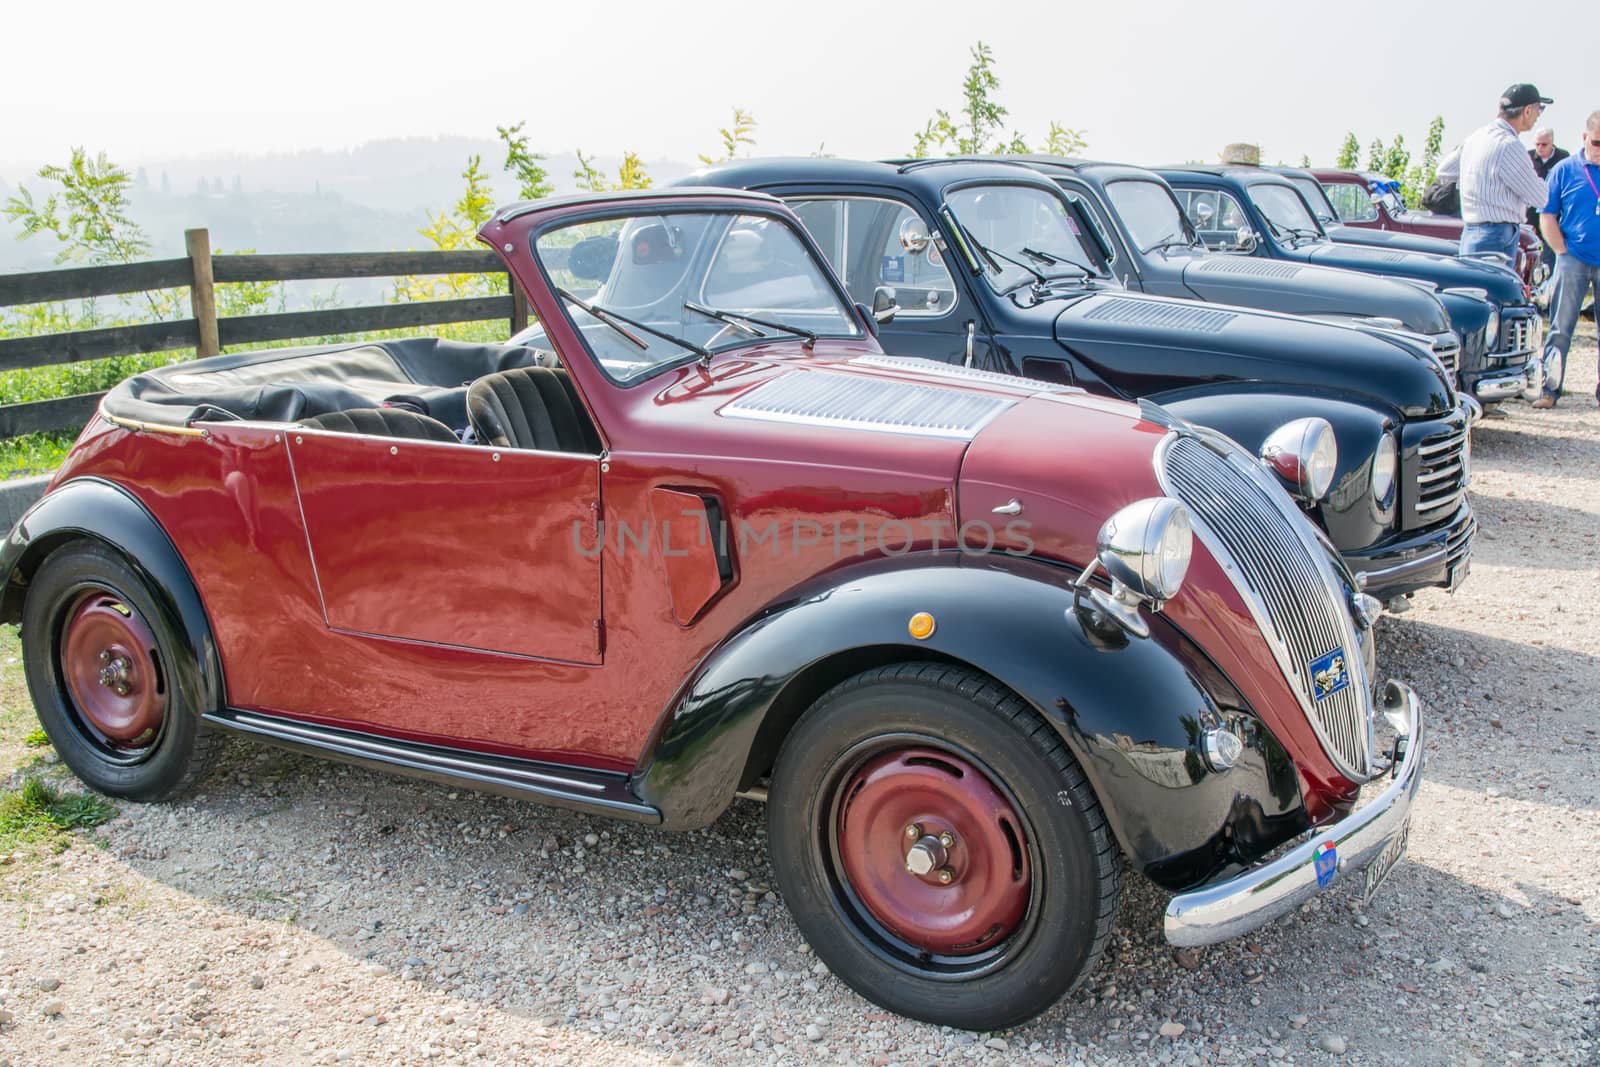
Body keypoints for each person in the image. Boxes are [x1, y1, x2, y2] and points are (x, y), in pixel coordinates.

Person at [1532, 110, 1600, 408]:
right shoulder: (1564, 170)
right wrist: (1562, 251)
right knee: (1561, 327)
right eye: (1598, 142)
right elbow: (1547, 216)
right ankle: (1550, 389)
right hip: (1572, 257)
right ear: (1584, 138)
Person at [1458, 84, 1554, 266]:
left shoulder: (1476, 137)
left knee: (1472, 291)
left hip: (1471, 229)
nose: (1538, 116)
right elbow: (1540, 197)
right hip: (1496, 234)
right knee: (1494, 292)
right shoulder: (1509, 145)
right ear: (1527, 111)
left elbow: (1445, 171)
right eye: (1539, 109)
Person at [1528, 128, 1570, 282]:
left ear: (1552, 143)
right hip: (1531, 215)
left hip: (1553, 214)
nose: (1540, 148)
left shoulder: (1563, 158)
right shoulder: (1528, 157)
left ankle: (1548, 288)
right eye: (1537, 144)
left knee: (1549, 257)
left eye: (1544, 145)